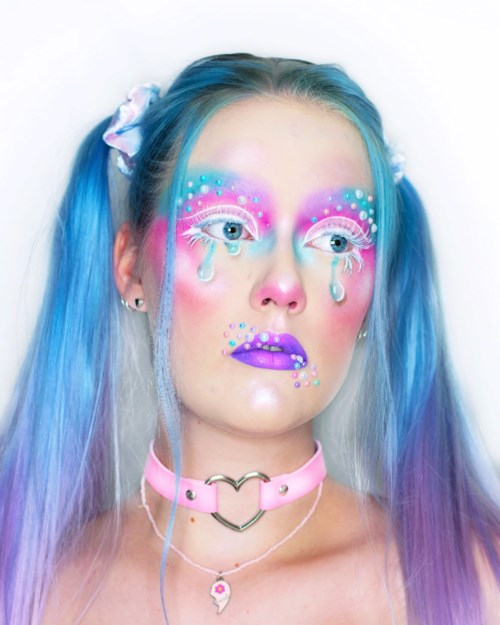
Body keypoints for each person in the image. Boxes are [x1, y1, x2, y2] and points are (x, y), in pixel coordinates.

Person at [0, 52, 499, 625]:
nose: (283, 286)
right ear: (132, 267)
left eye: (336, 241)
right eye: (229, 228)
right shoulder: (26, 587)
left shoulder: (475, 585)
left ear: (375, 292)